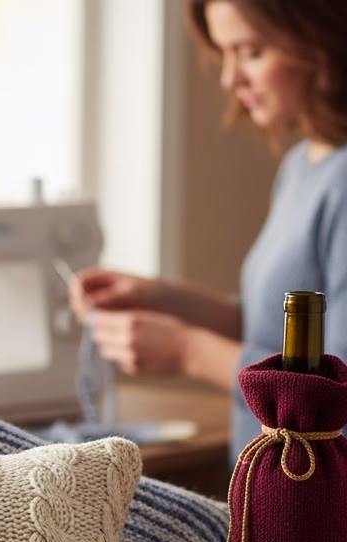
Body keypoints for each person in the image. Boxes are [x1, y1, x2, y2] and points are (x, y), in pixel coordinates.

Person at [68, 0, 347, 461]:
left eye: (251, 52)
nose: (230, 80)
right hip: (273, 481)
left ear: (321, 41)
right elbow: (280, 334)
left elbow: (335, 391)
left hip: (320, 502)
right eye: (225, 55)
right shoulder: (303, 165)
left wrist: (186, 352)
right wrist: (161, 298)